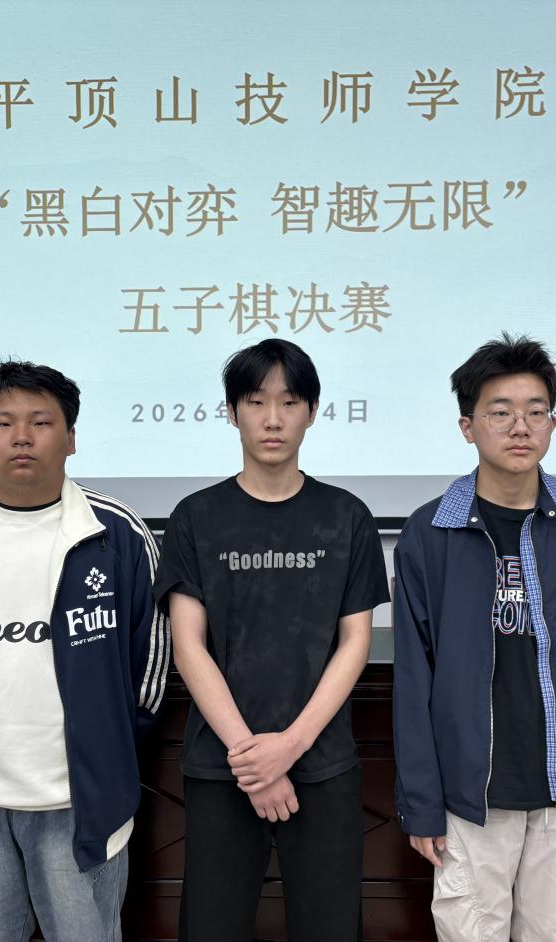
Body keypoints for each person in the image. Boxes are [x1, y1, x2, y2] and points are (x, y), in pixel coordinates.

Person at [0, 360, 169, 942]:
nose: (21, 437)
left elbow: (149, 670)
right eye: (3, 424)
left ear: (70, 437)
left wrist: (106, 752)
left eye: (41, 422)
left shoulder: (117, 535)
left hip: (77, 798)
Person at [392, 332, 556, 942]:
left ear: (553, 423)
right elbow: (414, 678)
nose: (520, 427)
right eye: (500, 412)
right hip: (469, 796)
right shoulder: (430, 533)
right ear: (467, 426)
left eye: (536, 411)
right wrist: (422, 801)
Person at [154, 339, 389, 942]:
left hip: (321, 762)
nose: (273, 419)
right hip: (222, 766)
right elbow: (188, 645)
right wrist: (252, 758)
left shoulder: (346, 516)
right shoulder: (195, 516)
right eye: (256, 402)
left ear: (312, 411)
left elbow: (355, 643)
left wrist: (289, 747)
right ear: (232, 412)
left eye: (289, 402)